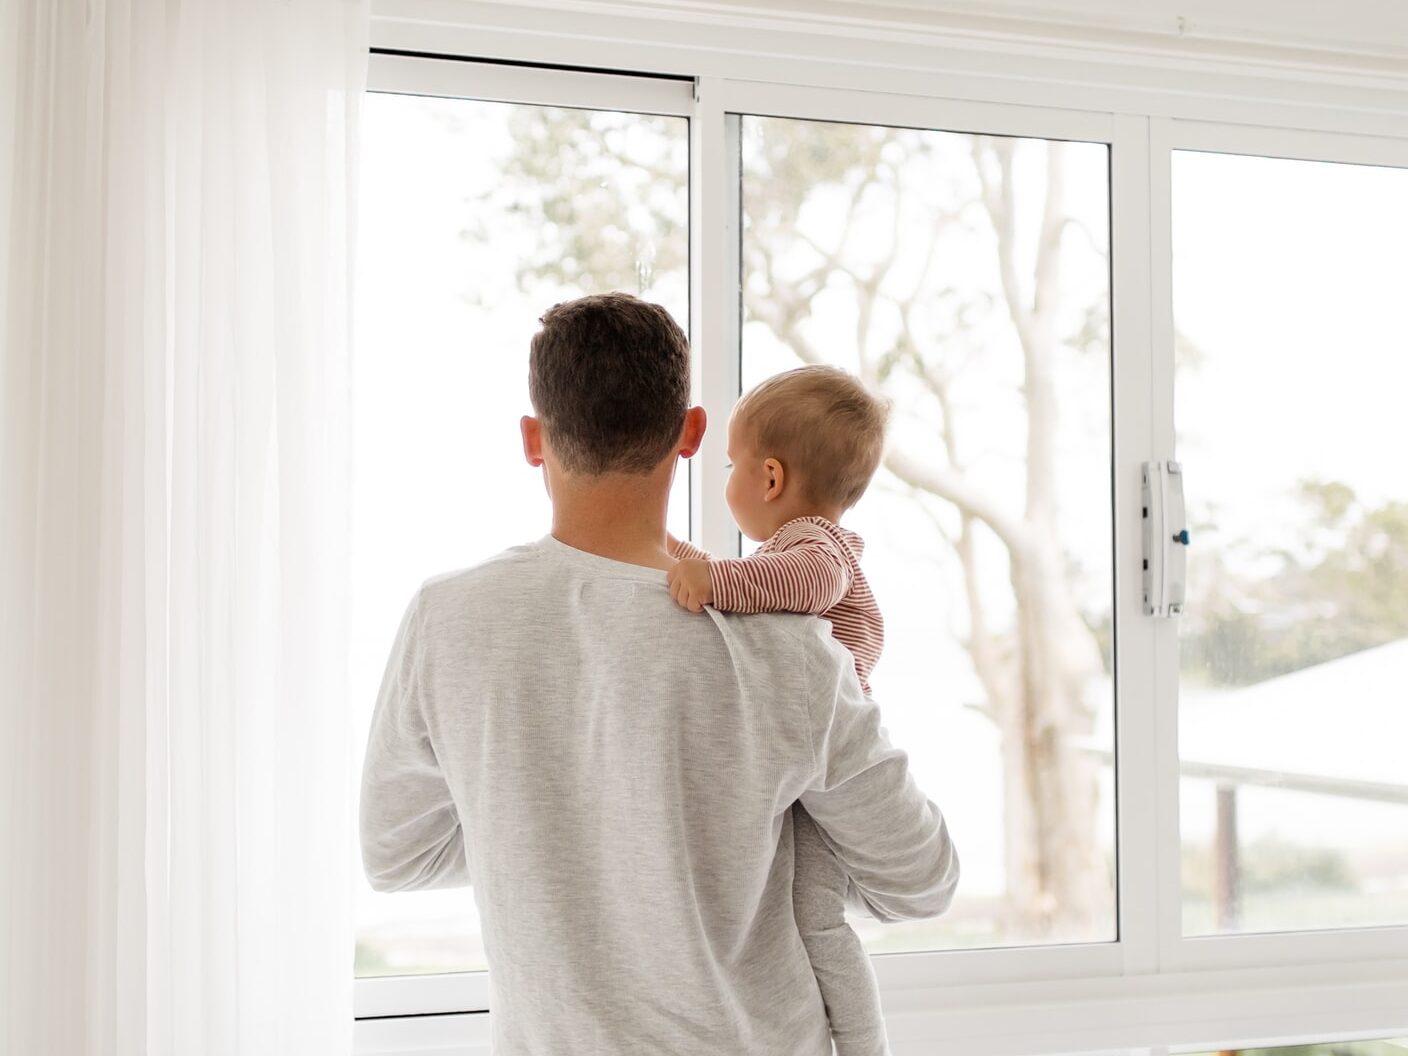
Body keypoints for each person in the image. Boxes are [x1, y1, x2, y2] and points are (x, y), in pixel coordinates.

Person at [359, 292, 959, 1056]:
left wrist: (557, 834)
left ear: (533, 441)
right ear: (691, 434)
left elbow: (397, 856)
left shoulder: (446, 620)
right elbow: (922, 880)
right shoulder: (790, 648)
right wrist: (702, 846)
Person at [665, 364, 895, 1056]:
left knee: (817, 921)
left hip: (827, 763)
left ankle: (863, 1045)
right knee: (795, 912)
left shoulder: (814, 550)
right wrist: (667, 551)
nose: (726, 477)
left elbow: (795, 583)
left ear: (769, 479)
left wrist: (711, 579)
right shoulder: (788, 551)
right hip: (803, 765)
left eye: (732, 463)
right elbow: (755, 580)